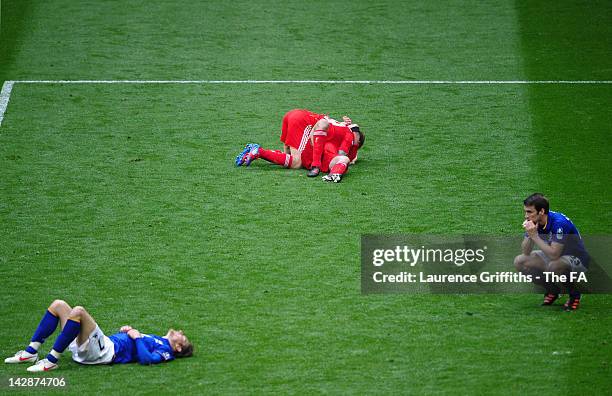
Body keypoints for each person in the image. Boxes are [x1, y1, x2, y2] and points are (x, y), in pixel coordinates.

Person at [4, 299, 193, 372]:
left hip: (103, 353)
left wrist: (136, 337)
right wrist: (127, 332)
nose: (181, 333)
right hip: (101, 345)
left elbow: (146, 359)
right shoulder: (158, 339)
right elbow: (135, 345)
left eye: (183, 339)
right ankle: (31, 352)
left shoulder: (166, 350)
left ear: (177, 348)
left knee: (78, 311)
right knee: (58, 305)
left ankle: (51, 360)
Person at [235, 109, 364, 182]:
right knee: (297, 162)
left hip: (295, 116)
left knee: (291, 158)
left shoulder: (340, 129)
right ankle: (315, 166)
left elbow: (348, 156)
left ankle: (258, 151)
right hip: (304, 122)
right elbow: (322, 124)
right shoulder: (347, 134)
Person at [513, 193, 589, 311]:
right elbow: (525, 252)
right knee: (520, 261)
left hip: (577, 259)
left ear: (541, 211)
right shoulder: (535, 221)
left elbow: (554, 254)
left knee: (554, 266)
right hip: (555, 255)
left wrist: (535, 236)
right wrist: (530, 234)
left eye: (529, 212)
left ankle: (574, 295)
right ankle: (552, 290)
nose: (526, 216)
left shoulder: (559, 223)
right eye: (525, 212)